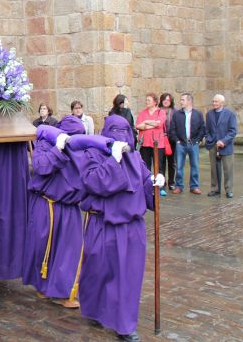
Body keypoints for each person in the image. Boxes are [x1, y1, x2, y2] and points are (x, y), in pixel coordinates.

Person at [67, 114, 162, 342]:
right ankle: (96, 309)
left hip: (131, 228)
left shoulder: (136, 157)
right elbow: (91, 182)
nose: (121, 136)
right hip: (102, 224)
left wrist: (156, 182)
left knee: (127, 277)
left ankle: (124, 325)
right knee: (97, 273)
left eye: (125, 130)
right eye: (115, 131)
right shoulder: (92, 154)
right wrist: (113, 160)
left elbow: (145, 179)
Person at [22, 117, 85, 308]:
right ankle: (42, 286)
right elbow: (41, 166)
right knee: (41, 246)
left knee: (68, 252)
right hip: (46, 203)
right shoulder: (45, 144)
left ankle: (65, 291)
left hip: (69, 206)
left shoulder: (84, 150)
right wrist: (57, 149)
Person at [168, 92, 205, 194]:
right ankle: (179, 186)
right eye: (181, 100)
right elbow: (172, 130)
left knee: (195, 165)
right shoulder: (177, 115)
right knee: (179, 166)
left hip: (193, 143)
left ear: (189, 101)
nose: (181, 102)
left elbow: (202, 128)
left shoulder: (198, 114)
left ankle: (194, 186)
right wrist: (177, 141)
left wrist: (198, 140)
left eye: (183, 100)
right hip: (181, 144)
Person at [205, 94, 238, 198]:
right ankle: (215, 189)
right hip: (213, 145)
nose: (214, 103)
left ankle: (229, 190)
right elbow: (207, 129)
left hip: (226, 146)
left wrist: (223, 141)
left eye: (216, 101)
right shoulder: (209, 114)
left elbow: (233, 131)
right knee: (214, 169)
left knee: (228, 169)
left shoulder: (230, 114)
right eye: (213, 101)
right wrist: (209, 140)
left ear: (222, 103)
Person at [135, 93, 167, 196]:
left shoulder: (161, 112)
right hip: (145, 143)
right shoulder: (142, 113)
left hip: (158, 143)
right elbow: (138, 126)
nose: (146, 102)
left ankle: (160, 186)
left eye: (149, 100)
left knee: (159, 166)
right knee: (146, 166)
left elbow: (159, 123)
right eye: (146, 100)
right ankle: (148, 186)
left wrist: (147, 122)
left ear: (155, 102)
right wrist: (152, 124)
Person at [158, 93, 176, 191]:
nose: (166, 101)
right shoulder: (158, 111)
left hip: (171, 139)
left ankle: (171, 182)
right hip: (161, 139)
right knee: (161, 162)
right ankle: (162, 182)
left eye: (168, 100)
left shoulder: (174, 112)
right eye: (164, 99)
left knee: (172, 162)